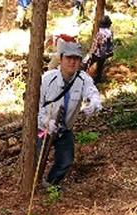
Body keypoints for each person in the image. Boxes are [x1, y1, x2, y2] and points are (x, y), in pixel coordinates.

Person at [37, 40, 101, 187]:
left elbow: (92, 93)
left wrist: (94, 103)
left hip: (64, 128)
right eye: (69, 58)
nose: (72, 62)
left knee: (66, 160)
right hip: (44, 128)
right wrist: (46, 122)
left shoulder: (82, 79)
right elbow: (35, 107)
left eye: (76, 59)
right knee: (37, 156)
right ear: (61, 59)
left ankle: (51, 184)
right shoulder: (47, 79)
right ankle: (33, 184)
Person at [85, 15, 114, 84]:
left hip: (97, 53)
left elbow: (95, 45)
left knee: (89, 64)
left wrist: (90, 53)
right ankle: (98, 79)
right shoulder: (110, 32)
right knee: (100, 67)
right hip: (105, 53)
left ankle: (87, 78)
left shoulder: (100, 34)